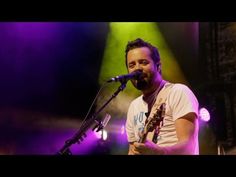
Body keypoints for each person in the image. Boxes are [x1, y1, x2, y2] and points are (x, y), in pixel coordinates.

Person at [125, 38, 199, 155]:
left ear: (158, 66)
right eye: (132, 65)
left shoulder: (177, 92)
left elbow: (189, 147)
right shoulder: (134, 106)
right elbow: (132, 151)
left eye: (143, 62)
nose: (137, 68)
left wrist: (158, 152)